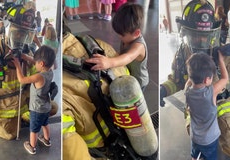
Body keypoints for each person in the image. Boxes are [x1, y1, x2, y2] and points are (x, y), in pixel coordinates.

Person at [161, 0, 230, 159]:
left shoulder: (218, 52)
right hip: (198, 117)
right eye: (196, 36)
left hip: (221, 106)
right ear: (185, 33)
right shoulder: (182, 56)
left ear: (213, 32)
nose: (202, 41)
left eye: (206, 36)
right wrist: (163, 89)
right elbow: (176, 80)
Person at [62, 29, 158, 160]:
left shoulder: (55, 85)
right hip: (130, 130)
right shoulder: (97, 44)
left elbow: (68, 145)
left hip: (106, 146)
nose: (120, 37)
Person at [0, 4, 58, 140]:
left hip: (26, 101)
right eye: (17, 32)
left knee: (51, 108)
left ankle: (22, 118)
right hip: (6, 105)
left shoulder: (27, 52)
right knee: (9, 134)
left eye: (25, 34)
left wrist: (48, 83)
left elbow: (37, 73)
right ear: (6, 29)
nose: (20, 38)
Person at [86, 3, 149, 91]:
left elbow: (128, 57)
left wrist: (109, 62)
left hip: (138, 81)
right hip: (129, 74)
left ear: (137, 33)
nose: (119, 37)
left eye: (122, 35)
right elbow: (123, 54)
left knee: (134, 100)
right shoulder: (128, 37)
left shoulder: (138, 46)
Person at [12, 45, 56, 155]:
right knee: (45, 124)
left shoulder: (38, 77)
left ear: (41, 64)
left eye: (36, 62)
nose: (34, 63)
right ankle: (47, 140)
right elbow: (37, 62)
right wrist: (26, 57)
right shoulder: (50, 71)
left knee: (34, 129)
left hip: (37, 109)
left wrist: (18, 65)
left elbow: (22, 80)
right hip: (46, 106)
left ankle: (32, 146)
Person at [185, 52, 228, 160]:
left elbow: (189, 81)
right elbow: (225, 78)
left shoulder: (187, 91)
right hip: (209, 140)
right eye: (211, 77)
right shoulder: (211, 92)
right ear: (206, 80)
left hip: (195, 137)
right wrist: (221, 60)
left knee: (194, 156)